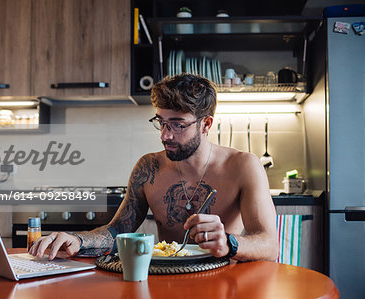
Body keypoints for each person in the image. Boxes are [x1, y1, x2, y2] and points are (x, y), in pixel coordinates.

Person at [30, 74, 278, 262]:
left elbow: (269, 244)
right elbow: (118, 231)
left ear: (206, 124)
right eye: (161, 122)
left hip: (224, 278)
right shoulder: (148, 167)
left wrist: (229, 243)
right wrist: (78, 240)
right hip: (165, 279)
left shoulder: (243, 165)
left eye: (177, 125)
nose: (165, 136)